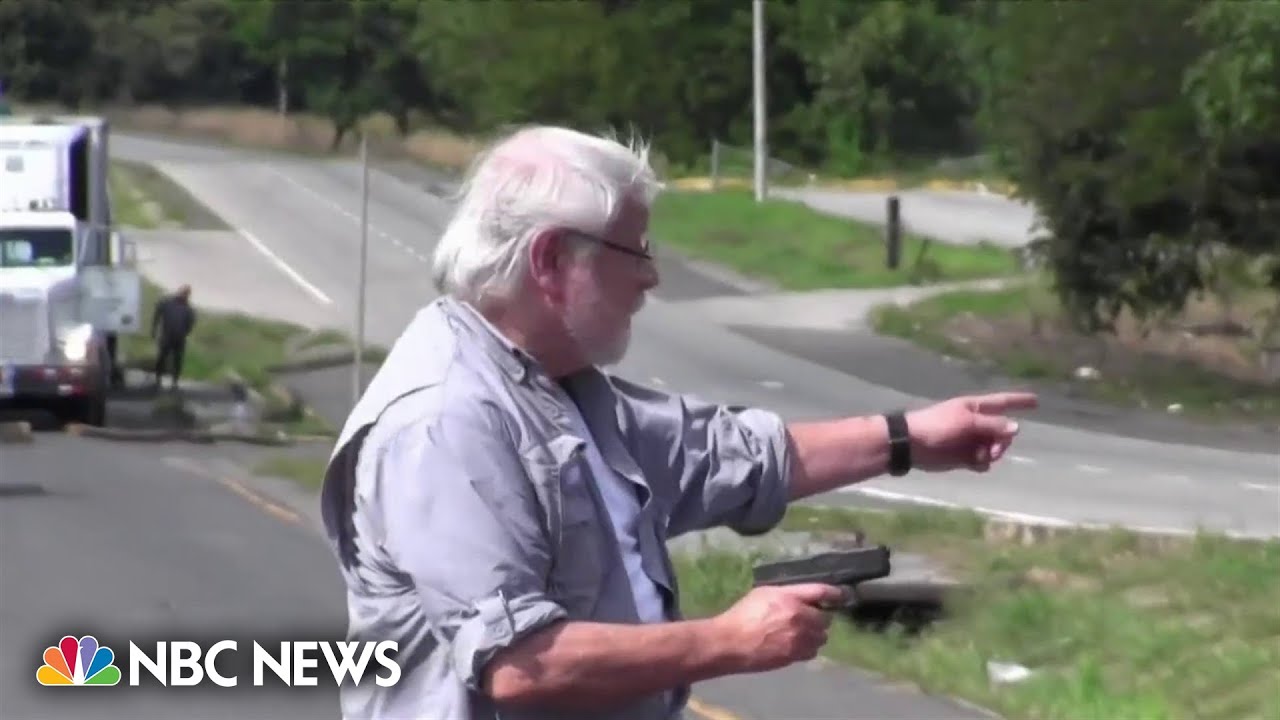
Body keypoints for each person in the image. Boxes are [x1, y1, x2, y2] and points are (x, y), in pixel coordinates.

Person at [319, 125, 1038, 720]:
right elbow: (519, 662)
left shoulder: (555, 387)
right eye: (635, 251)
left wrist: (908, 438)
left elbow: (725, 457)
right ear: (550, 260)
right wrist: (731, 638)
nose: (652, 277)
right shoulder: (446, 422)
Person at [150, 284, 196, 390]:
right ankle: (158, 379)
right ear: (179, 291)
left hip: (180, 338)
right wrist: (154, 329)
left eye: (187, 293)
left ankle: (175, 381)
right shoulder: (167, 303)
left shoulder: (189, 308)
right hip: (167, 335)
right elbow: (157, 314)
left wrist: (185, 333)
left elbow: (191, 323)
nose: (185, 295)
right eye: (183, 292)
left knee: (178, 360)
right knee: (162, 358)